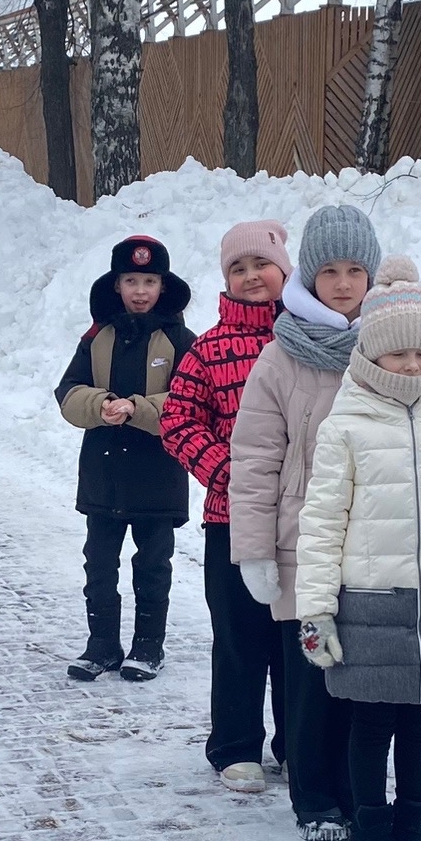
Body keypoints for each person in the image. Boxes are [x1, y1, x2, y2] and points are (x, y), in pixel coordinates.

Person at [293, 260, 421, 841]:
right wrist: (316, 611)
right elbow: (321, 524)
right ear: (370, 355)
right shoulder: (346, 426)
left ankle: (417, 839)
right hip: (367, 605)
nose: (412, 365)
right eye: (398, 352)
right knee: (369, 727)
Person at [232, 204, 381, 841]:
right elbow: (255, 460)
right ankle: (314, 796)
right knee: (313, 676)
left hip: (372, 541)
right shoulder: (281, 357)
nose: (343, 284)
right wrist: (255, 550)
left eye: (356, 271)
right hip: (302, 543)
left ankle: (356, 789)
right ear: (309, 277)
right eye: (330, 271)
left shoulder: (392, 345)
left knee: (363, 674)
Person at [160, 219, 291, 789]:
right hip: (232, 520)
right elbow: (177, 421)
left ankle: (297, 743)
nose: (251, 276)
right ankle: (235, 745)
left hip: (301, 518)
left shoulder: (308, 339)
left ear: (284, 271)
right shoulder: (208, 349)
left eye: (261, 264)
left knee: (298, 638)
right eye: (238, 268)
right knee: (240, 636)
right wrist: (230, 475)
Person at [55, 234, 196, 682]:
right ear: (116, 284)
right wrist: (99, 406)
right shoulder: (97, 337)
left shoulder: (181, 339)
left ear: (163, 286)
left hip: (159, 474)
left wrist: (138, 408)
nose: (140, 291)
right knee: (99, 564)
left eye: (149, 281)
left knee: (152, 566)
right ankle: (102, 645)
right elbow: (67, 391)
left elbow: (190, 402)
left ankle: (148, 647)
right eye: (131, 280)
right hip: (104, 473)